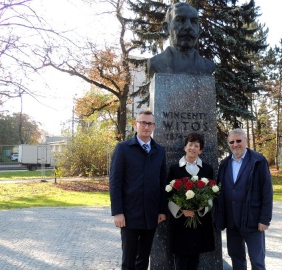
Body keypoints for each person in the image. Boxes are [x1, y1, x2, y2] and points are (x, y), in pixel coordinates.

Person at [109, 110, 167, 270]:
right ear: (136, 124)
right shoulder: (123, 148)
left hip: (151, 214)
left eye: (149, 123)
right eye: (143, 122)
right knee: (128, 260)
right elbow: (115, 182)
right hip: (129, 214)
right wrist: (117, 212)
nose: (146, 126)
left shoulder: (159, 151)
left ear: (154, 126)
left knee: (143, 259)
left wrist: (162, 210)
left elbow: (162, 182)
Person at [214, 128, 273, 270]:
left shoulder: (258, 161)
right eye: (232, 142)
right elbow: (220, 192)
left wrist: (264, 220)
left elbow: (267, 192)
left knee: (257, 261)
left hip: (252, 221)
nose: (235, 144)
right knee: (236, 259)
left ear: (245, 141)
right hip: (232, 222)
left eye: (238, 141)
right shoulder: (225, 164)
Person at [167, 133, 215, 270]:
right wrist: (181, 209)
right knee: (181, 260)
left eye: (196, 146)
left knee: (195, 259)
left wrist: (201, 207)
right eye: (190, 144)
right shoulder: (174, 169)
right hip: (180, 222)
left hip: (199, 221)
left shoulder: (207, 169)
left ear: (201, 150)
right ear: (185, 147)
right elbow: (168, 194)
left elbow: (211, 193)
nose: (193, 148)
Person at [147, 2, 216, 78]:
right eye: (180, 20)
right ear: (167, 28)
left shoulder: (207, 66)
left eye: (193, 22)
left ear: (199, 31)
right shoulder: (156, 63)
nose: (188, 27)